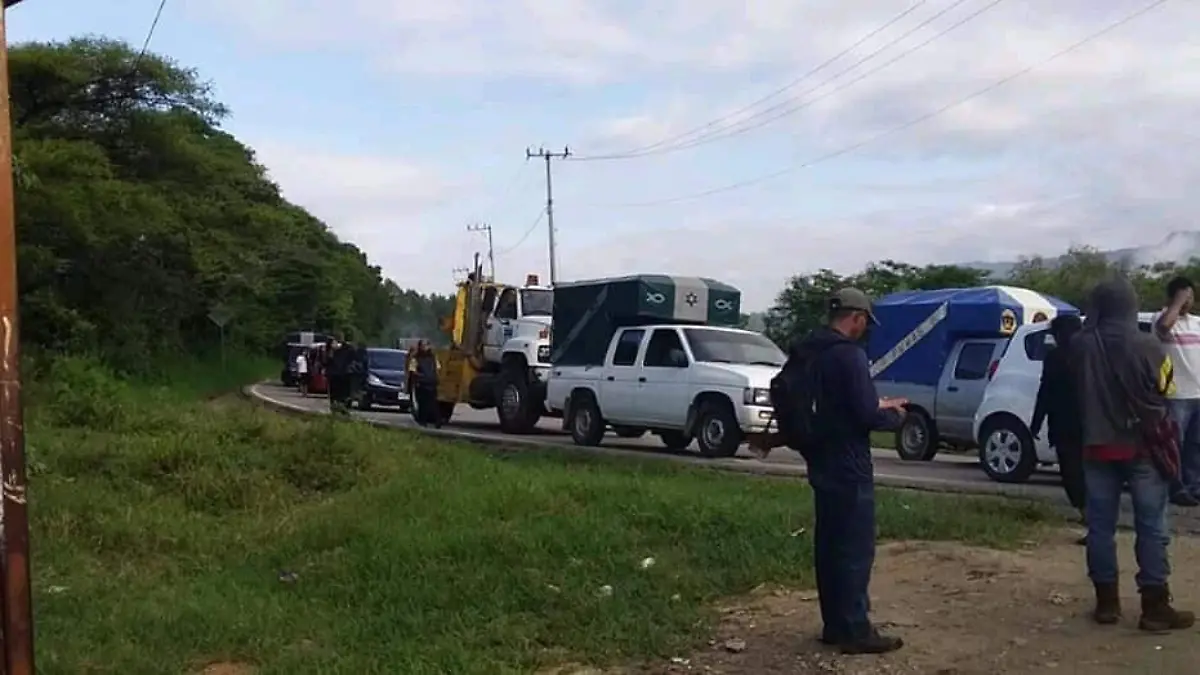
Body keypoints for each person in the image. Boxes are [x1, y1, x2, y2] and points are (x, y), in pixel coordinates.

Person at [1071, 276, 1193, 631]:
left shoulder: (1080, 346)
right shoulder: (1150, 345)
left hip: (1095, 446)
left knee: (1099, 526)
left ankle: (1106, 603)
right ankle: (1154, 607)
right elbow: (1169, 389)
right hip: (1143, 448)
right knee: (1152, 526)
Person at [790, 288, 907, 654]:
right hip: (849, 462)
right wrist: (894, 414)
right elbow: (864, 414)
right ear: (856, 318)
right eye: (864, 322)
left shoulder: (811, 351)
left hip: (819, 457)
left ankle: (834, 624)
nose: (864, 329)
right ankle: (855, 629)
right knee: (855, 548)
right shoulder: (849, 356)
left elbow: (835, 404)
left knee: (829, 544)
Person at [1030, 314, 1086, 542]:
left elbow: (1045, 392)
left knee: (1073, 474)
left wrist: (1036, 422)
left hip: (1066, 423)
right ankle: (1093, 520)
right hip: (1090, 423)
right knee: (1087, 474)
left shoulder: (1055, 357)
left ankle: (1089, 517)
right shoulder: (1091, 354)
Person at [1153, 275, 1200, 507]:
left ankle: (1194, 486)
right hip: (1176, 395)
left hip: (1198, 393)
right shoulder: (1161, 319)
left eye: (1190, 296)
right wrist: (1177, 303)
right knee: (1176, 445)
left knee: (1195, 444)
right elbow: (1163, 327)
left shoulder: (1197, 323)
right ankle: (1176, 487)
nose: (1188, 300)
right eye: (1184, 295)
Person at [410, 340, 441, 427]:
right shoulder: (432, 358)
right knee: (431, 403)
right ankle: (435, 422)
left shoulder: (416, 358)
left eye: (426, 345)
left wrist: (418, 378)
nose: (425, 347)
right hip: (429, 383)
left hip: (423, 383)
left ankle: (425, 421)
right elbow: (438, 369)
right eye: (424, 345)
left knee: (425, 403)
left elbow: (413, 371)